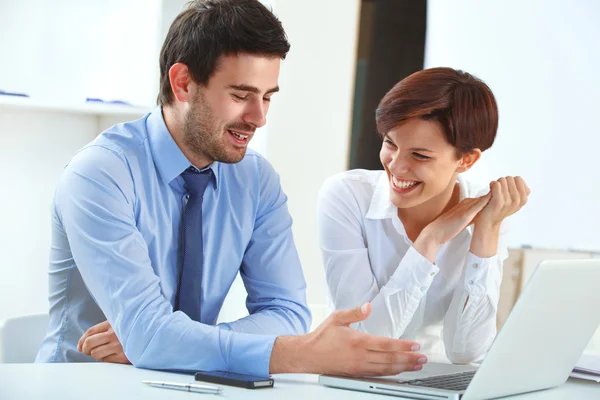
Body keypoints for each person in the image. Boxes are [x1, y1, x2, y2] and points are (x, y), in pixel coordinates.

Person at [36, 0, 427, 377]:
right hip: (80, 384)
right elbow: (151, 335)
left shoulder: (256, 180)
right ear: (183, 83)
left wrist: (174, 343)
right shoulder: (101, 174)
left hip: (191, 384)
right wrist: (295, 354)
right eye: (241, 95)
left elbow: (287, 313)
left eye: (267, 97)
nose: (259, 118)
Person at [317, 67, 530, 365]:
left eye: (420, 155)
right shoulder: (347, 196)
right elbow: (363, 337)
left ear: (466, 160)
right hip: (356, 381)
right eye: (390, 143)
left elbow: (466, 352)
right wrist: (430, 240)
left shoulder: (489, 211)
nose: (397, 166)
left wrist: (487, 231)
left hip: (435, 380)